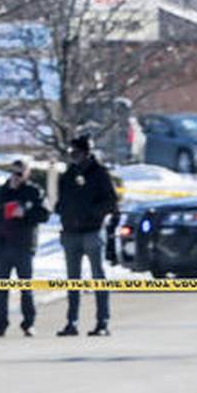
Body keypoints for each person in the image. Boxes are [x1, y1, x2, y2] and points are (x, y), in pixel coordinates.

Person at [0, 158, 50, 337]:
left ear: (27, 174)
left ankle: (28, 324)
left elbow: (45, 214)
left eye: (20, 173)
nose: (16, 176)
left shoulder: (34, 192)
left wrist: (25, 213)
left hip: (23, 246)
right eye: (13, 172)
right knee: (2, 288)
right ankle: (0, 325)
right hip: (1, 246)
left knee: (25, 287)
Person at [55, 135, 119, 336]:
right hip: (71, 232)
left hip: (91, 231)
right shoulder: (68, 175)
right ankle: (71, 322)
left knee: (98, 277)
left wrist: (91, 213)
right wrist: (62, 211)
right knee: (72, 280)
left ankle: (102, 322)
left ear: (86, 153)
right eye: (71, 153)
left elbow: (111, 202)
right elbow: (61, 199)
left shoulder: (99, 173)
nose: (73, 157)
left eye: (77, 153)